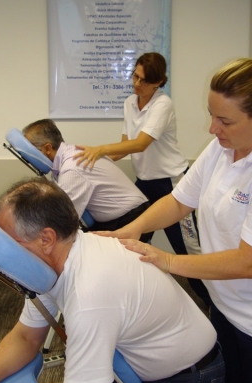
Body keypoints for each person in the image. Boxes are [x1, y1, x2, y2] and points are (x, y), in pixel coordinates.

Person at [96, 58, 252, 383]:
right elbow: (179, 202)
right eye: (212, 115)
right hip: (227, 310)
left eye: (225, 120)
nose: (213, 129)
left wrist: (167, 261)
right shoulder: (222, 149)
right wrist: (130, 230)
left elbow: (249, 262)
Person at [0, 177, 225, 383]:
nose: (7, 254)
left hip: (189, 378)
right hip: (141, 361)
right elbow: (26, 338)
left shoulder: (89, 292)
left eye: (9, 243)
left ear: (46, 239)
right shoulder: (60, 258)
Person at [73, 52, 209, 304]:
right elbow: (124, 147)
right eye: (135, 76)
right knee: (129, 239)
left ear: (158, 82)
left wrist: (100, 149)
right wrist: (88, 163)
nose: (137, 83)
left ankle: (213, 303)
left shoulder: (162, 104)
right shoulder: (129, 103)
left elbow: (141, 143)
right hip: (145, 183)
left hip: (172, 184)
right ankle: (128, 297)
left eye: (144, 80)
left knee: (187, 249)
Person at [22, 118, 152, 242]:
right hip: (121, 217)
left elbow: (61, 219)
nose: (28, 159)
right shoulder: (69, 156)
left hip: (131, 219)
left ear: (47, 148)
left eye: (30, 152)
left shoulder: (72, 168)